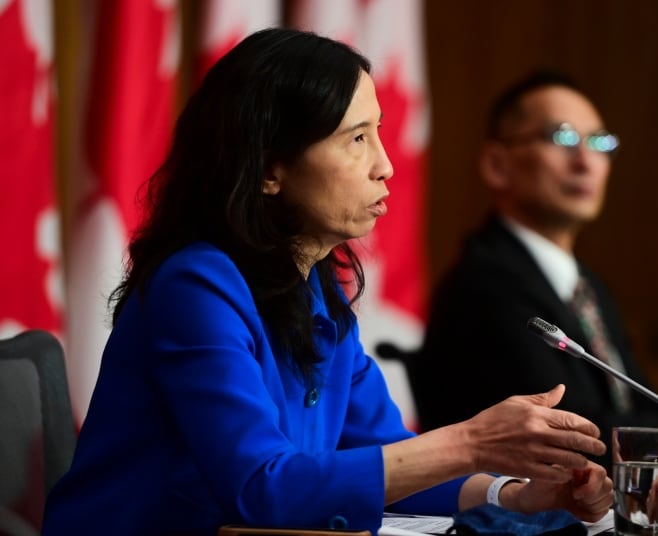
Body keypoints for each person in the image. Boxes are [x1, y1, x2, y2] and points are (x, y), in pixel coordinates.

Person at [40, 31, 613, 536]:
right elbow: (261, 488)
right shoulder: (195, 285)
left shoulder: (317, 288)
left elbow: (388, 458)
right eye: (356, 138)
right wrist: (472, 442)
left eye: (381, 134)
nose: (385, 165)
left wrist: (512, 494)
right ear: (269, 168)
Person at [415, 68, 658, 468]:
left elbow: (641, 411)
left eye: (600, 142)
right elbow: (577, 433)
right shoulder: (485, 285)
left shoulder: (587, 286)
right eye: (563, 137)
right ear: (497, 164)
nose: (586, 161)